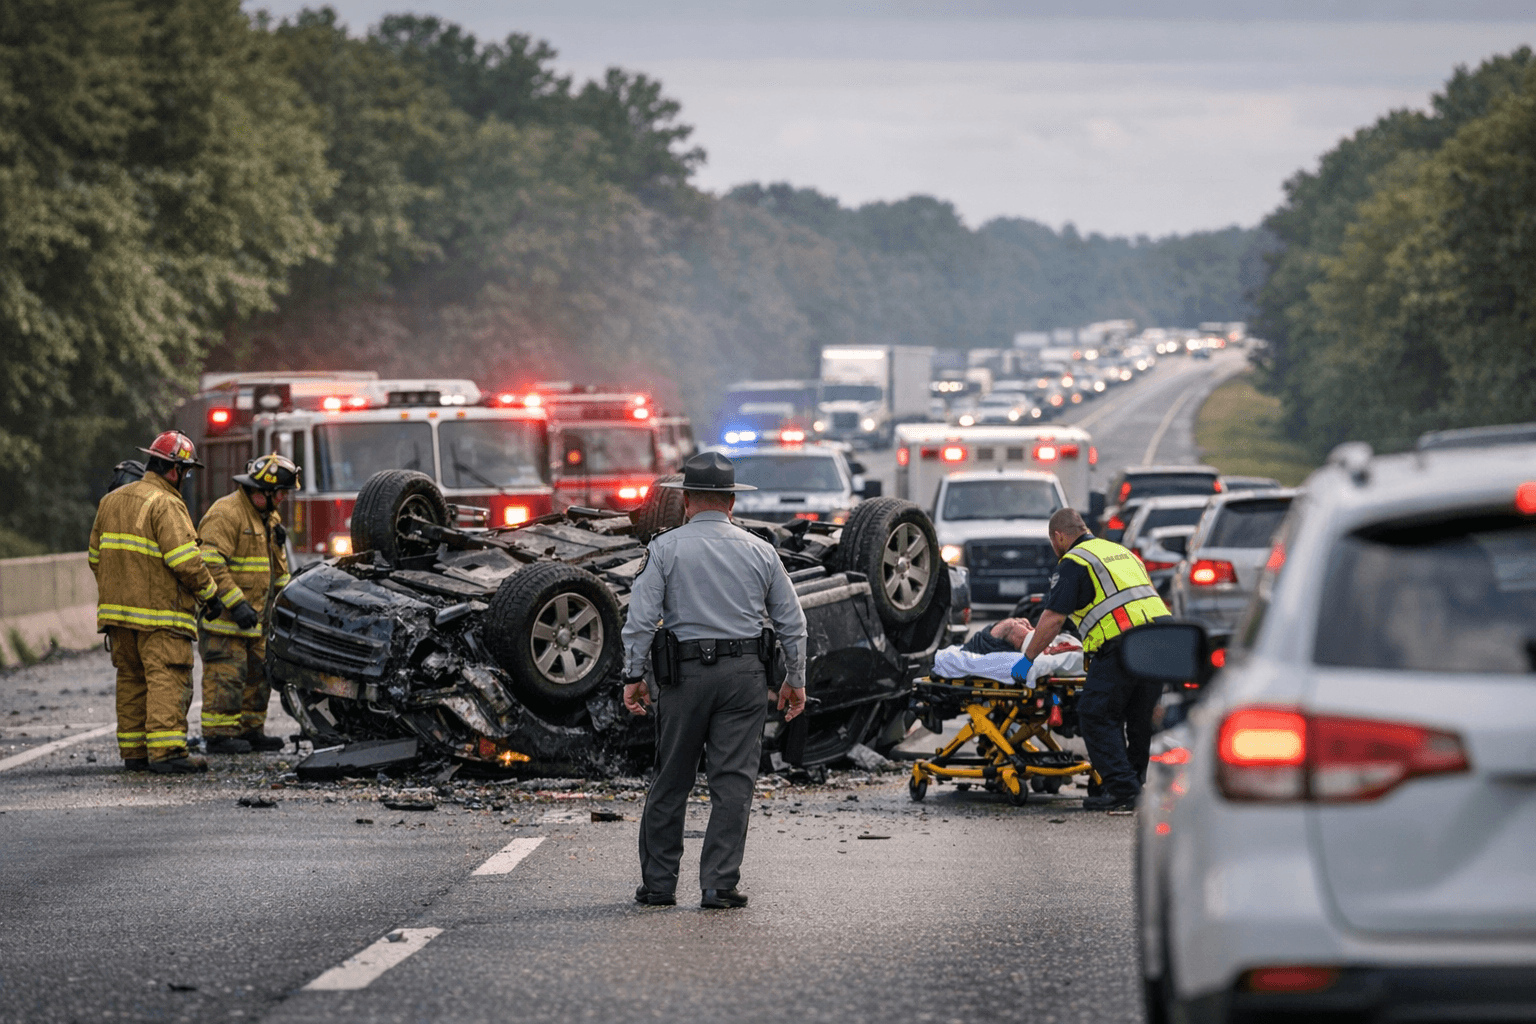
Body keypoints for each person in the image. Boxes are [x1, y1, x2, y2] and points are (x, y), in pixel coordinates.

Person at [621, 451, 808, 910]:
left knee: (671, 779)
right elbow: (792, 622)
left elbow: (641, 620)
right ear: (730, 502)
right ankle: (719, 885)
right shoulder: (760, 550)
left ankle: (660, 885)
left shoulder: (664, 548)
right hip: (745, 676)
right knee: (733, 782)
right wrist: (795, 678)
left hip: (683, 677)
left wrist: (634, 675)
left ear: (686, 501)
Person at [1014, 507, 1169, 810]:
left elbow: (1053, 618)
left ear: (1058, 536)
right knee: (1139, 717)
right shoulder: (1120, 551)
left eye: (1052, 542)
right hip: (1161, 638)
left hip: (1122, 640)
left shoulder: (1073, 561)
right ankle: (1134, 784)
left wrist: (1028, 658)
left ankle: (1124, 791)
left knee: (1096, 715)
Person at [88, 431, 223, 774]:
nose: (187, 478)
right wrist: (210, 595)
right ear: (174, 470)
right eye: (186, 471)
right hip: (160, 616)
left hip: (118, 617)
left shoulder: (111, 502)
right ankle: (167, 753)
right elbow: (185, 561)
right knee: (167, 676)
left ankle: (134, 754)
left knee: (132, 680)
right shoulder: (166, 503)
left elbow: (95, 558)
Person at [197, 454, 298, 754]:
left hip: (258, 622)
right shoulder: (226, 514)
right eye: (279, 493)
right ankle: (218, 734)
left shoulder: (269, 519)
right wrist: (235, 603)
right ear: (262, 491)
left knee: (258, 676)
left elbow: (278, 571)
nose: (282, 499)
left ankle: (251, 730)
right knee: (226, 675)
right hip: (227, 622)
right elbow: (210, 563)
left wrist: (286, 605)